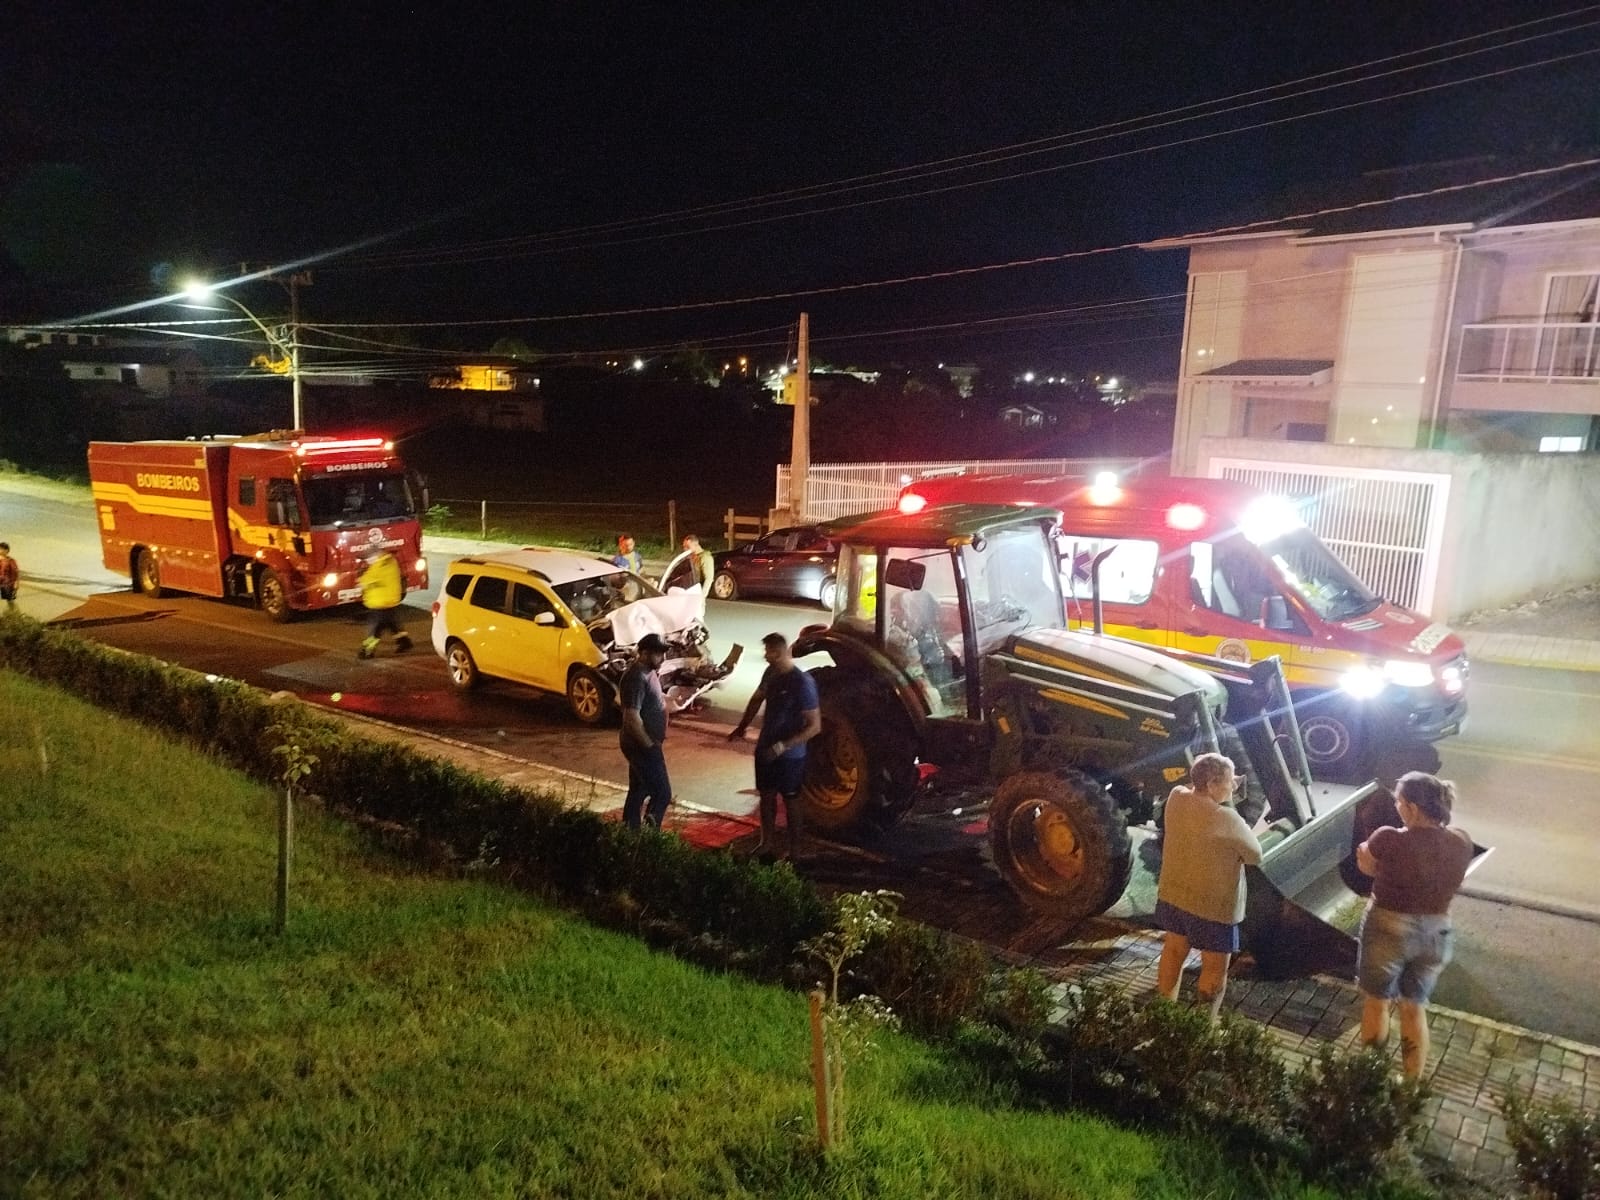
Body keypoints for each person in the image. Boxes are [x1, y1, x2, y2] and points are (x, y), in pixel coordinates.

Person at [1355, 771, 1474, 1079]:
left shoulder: (1388, 838)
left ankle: (1369, 1079)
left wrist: (1375, 860)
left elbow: (1365, 865)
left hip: (1387, 926)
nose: (1396, 806)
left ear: (1410, 807)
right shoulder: (1460, 841)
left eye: (1398, 801)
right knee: (1414, 1007)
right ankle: (1411, 1087)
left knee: (1377, 1003)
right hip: (1437, 932)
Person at [1155, 752, 1263, 1021]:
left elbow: (1197, 795)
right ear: (1213, 784)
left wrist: (1227, 785)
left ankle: (1163, 1013)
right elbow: (1255, 855)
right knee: (1214, 969)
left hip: (1173, 895)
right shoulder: (1227, 819)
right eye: (1229, 781)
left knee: (1173, 951)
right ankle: (1203, 1028)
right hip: (1211, 908)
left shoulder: (1176, 797)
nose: (1234, 785)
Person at [729, 633, 822, 861]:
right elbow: (756, 699)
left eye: (769, 651)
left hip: (790, 757)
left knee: (791, 800)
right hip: (766, 749)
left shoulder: (802, 683)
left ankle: (795, 851)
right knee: (767, 796)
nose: (765, 656)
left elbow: (814, 726)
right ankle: (766, 843)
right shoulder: (771, 674)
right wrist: (742, 727)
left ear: (779, 652)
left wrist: (783, 746)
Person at [620, 632, 674, 829]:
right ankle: (650, 838)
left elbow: (651, 703)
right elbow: (631, 718)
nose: (663, 658)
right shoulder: (636, 678)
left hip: (643, 744)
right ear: (643, 653)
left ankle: (629, 831)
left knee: (638, 789)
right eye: (658, 654)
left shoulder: (648, 673)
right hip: (640, 745)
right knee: (662, 793)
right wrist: (649, 746)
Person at [357, 548, 411, 658]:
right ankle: (404, 642)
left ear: (375, 556)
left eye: (368, 559)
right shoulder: (389, 562)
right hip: (388, 600)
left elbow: (368, 580)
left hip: (380, 602)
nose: (367, 562)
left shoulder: (380, 566)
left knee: (375, 629)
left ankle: (367, 650)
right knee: (391, 623)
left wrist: (361, 580)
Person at [0, 542, 17, 610]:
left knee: (9, 600)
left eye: (2, 549)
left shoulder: (11, 560)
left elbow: (15, 572)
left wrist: (16, 583)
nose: (0, 550)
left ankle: (12, 613)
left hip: (7, 584)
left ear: (7, 550)